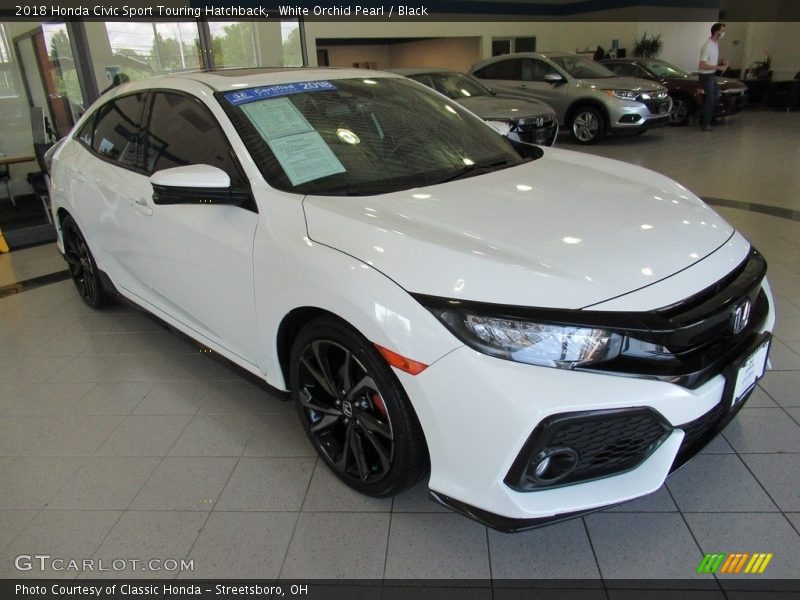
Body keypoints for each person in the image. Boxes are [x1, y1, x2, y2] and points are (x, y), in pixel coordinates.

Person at [698, 23, 730, 131]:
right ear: (717, 32)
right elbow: (702, 65)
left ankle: (697, 115)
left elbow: (713, 58)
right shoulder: (707, 45)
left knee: (715, 96)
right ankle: (706, 124)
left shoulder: (715, 44)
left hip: (711, 74)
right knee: (711, 99)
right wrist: (718, 67)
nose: (723, 33)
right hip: (706, 75)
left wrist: (723, 61)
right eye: (722, 31)